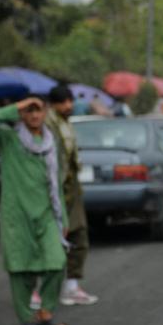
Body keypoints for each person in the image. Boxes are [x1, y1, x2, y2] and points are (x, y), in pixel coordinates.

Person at [0, 97, 69, 325]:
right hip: (16, 215)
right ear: (22, 115)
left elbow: (56, 184)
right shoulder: (9, 139)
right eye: (28, 111)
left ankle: (46, 312)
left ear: (45, 112)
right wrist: (16, 107)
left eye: (38, 110)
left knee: (57, 262)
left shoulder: (50, 142)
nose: (34, 115)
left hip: (47, 214)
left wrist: (64, 220)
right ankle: (27, 318)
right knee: (20, 269)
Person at [46, 85, 99, 306]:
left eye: (69, 101)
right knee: (50, 240)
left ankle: (71, 287)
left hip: (71, 186)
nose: (68, 106)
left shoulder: (66, 123)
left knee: (78, 235)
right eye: (63, 102)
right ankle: (41, 291)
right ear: (53, 103)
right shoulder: (47, 124)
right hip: (51, 188)